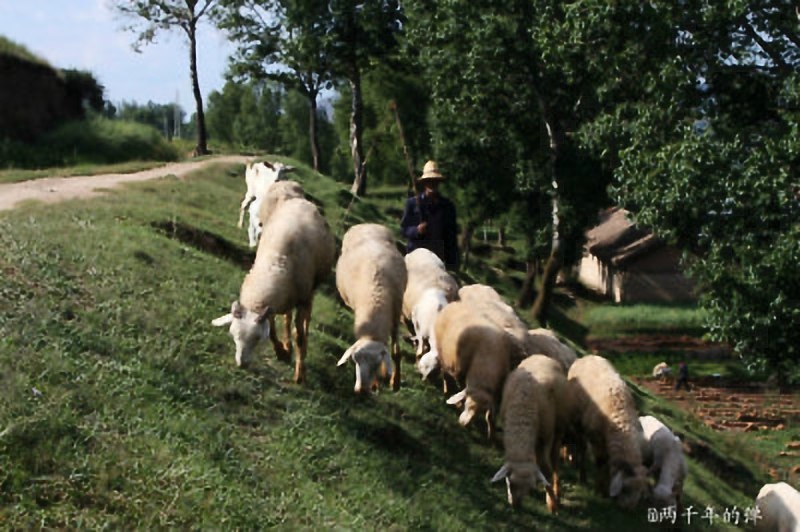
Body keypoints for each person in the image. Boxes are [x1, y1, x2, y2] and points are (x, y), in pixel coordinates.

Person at [400, 160, 459, 270]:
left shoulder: (447, 206)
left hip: (438, 259)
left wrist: (453, 265)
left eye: (435, 181)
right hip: (416, 258)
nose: (432, 184)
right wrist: (416, 230)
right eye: (429, 181)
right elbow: (404, 229)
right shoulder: (412, 203)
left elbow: (452, 238)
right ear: (424, 183)